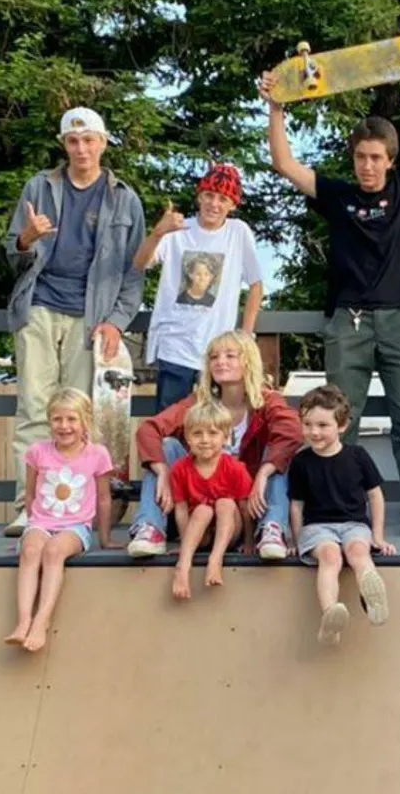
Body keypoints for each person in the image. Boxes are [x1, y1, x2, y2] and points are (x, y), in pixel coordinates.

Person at [259, 43, 400, 537]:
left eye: (376, 158)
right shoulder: (338, 195)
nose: (367, 166)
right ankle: (338, 508)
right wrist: (276, 106)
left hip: (399, 318)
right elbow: (285, 164)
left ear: (391, 161)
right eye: (360, 157)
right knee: (336, 419)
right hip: (347, 320)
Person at [1, 107, 146, 535]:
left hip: (93, 316)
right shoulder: (38, 187)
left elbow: (135, 271)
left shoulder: (125, 198)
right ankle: (30, 506)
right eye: (73, 141)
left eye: (89, 140)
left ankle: (77, 512)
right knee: (33, 407)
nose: (81, 148)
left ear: (103, 142)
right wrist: (27, 239)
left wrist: (117, 321)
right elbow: (13, 253)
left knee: (84, 416)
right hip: (39, 306)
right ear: (64, 145)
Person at [129, 330, 301, 560]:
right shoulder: (199, 402)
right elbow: (149, 429)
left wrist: (264, 472)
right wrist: (161, 470)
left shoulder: (267, 401)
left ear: (248, 361)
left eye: (230, 355)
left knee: (278, 453)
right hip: (197, 508)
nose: (220, 361)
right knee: (167, 446)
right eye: (214, 357)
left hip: (248, 508)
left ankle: (272, 529)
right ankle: (150, 529)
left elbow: (293, 431)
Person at [132, 163, 265, 409]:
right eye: (209, 195)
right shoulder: (178, 229)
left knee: (215, 424)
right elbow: (140, 263)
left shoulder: (238, 232)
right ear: (200, 196)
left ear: (232, 204)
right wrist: (158, 232)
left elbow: (256, 285)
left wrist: (245, 335)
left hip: (218, 351)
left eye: (223, 198)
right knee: (170, 425)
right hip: (174, 345)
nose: (214, 204)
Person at [6, 388, 114, 654]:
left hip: (75, 527)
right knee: (31, 550)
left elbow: (103, 498)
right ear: (49, 421)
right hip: (41, 522)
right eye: (57, 419)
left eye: (71, 419)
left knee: (54, 551)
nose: (64, 426)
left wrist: (105, 539)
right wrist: (29, 530)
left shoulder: (97, 454)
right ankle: (23, 621)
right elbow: (31, 493)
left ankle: (42, 621)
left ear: (85, 420)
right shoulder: (37, 452)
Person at [289, 384, 395, 646]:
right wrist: (295, 539)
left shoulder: (357, 456)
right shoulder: (301, 462)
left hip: (354, 525)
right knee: (330, 557)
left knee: (359, 552)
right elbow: (297, 505)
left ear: (342, 426)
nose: (314, 432)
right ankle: (330, 616)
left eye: (323, 425)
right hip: (318, 528)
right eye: (308, 424)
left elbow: (375, 496)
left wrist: (378, 538)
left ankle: (373, 601)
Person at [168, 398, 254, 601]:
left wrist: (250, 541)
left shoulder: (234, 468)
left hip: (230, 530)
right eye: (197, 433)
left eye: (213, 433)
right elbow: (180, 510)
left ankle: (216, 560)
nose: (205, 440)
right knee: (202, 510)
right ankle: (183, 566)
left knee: (225, 502)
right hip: (200, 532)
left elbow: (244, 508)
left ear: (225, 437)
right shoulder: (180, 469)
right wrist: (185, 541)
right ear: (187, 437)